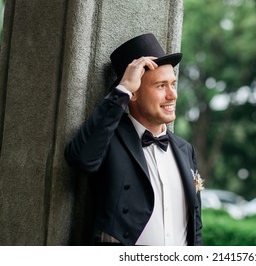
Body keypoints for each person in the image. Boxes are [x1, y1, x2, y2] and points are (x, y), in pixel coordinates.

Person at [64, 33, 203, 246]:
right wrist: (123, 91)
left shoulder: (185, 150)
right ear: (134, 94)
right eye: (160, 86)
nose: (172, 94)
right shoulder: (110, 140)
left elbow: (195, 226)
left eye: (173, 84)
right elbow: (81, 158)